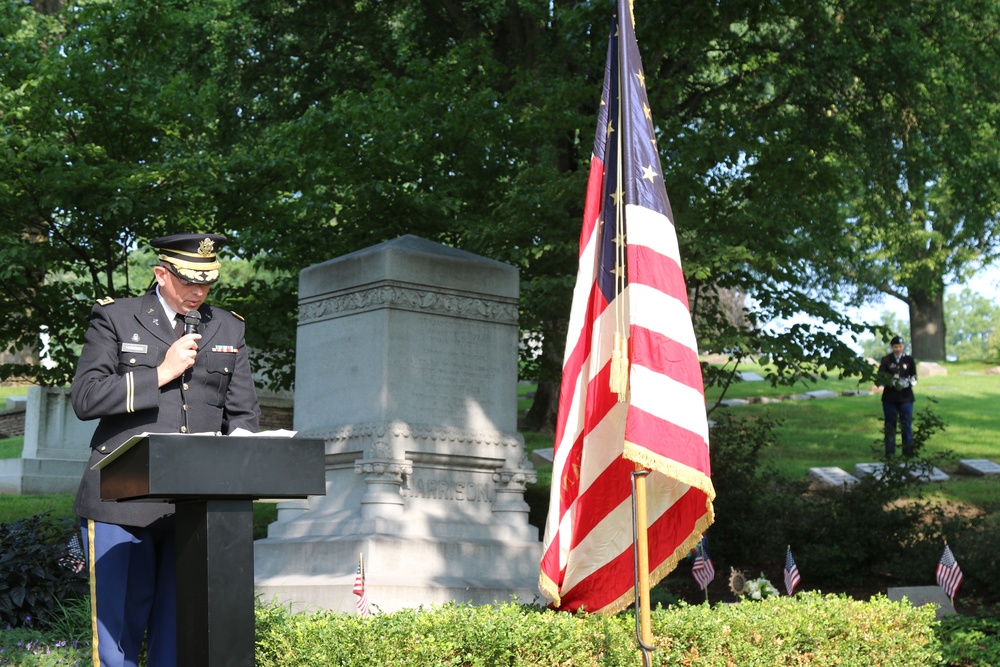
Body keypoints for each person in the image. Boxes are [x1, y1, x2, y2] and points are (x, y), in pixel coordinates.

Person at [71, 233, 260, 667]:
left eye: (207, 283)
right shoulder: (117, 317)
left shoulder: (229, 327)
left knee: (179, 642)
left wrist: (245, 454)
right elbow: (86, 398)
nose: (199, 293)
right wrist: (161, 372)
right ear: (161, 273)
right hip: (120, 503)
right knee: (117, 645)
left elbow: (243, 415)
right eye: (189, 282)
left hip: (196, 508)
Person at [878, 335, 917, 457]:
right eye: (895, 347)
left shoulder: (909, 360)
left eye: (900, 346)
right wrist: (891, 381)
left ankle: (907, 452)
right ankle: (889, 453)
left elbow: (914, 376)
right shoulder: (886, 360)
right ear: (892, 347)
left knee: (906, 424)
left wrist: (909, 382)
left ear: (903, 346)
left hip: (906, 397)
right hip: (890, 397)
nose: (898, 349)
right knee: (890, 425)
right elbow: (881, 376)